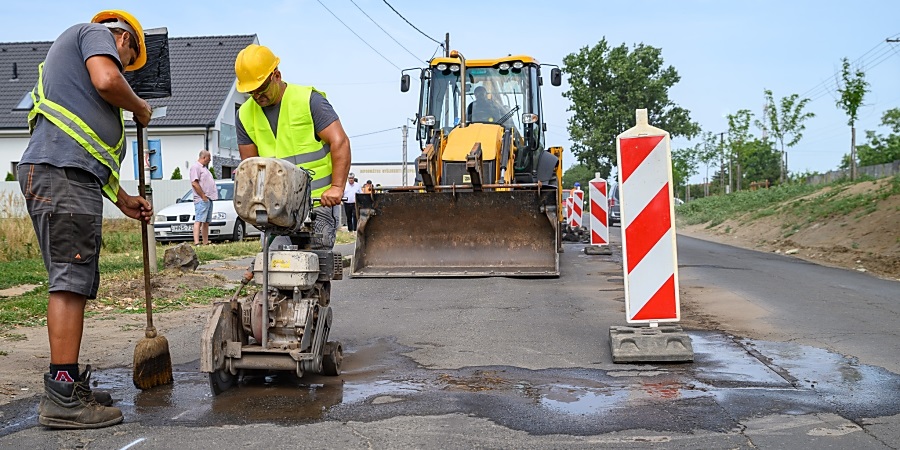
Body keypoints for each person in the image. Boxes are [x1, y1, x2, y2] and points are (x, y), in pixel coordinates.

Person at [17, 10, 153, 429]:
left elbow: (86, 147)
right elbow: (108, 81)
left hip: (68, 174)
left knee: (73, 278)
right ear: (124, 40)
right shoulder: (93, 33)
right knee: (70, 282)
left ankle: (69, 381)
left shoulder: (74, 76)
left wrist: (122, 197)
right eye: (129, 63)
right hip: (61, 175)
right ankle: (62, 397)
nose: (124, 71)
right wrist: (140, 106)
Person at [234, 44, 351, 250]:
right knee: (275, 266)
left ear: (276, 75)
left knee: (316, 264)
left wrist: (337, 188)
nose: (258, 96)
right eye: (252, 92)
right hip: (275, 208)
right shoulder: (244, 114)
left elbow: (339, 142)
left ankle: (319, 283)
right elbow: (250, 168)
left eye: (261, 89)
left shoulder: (309, 101)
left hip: (318, 203)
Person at [190, 150, 218, 245]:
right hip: (202, 199)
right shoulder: (196, 167)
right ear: (204, 157)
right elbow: (194, 183)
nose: (209, 161)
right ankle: (197, 242)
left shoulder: (205, 169)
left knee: (206, 222)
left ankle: (205, 241)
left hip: (209, 198)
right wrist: (202, 196)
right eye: (209, 158)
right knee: (199, 220)